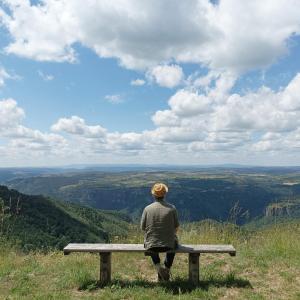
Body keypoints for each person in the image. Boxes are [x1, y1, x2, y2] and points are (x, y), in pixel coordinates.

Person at [140, 182, 180, 281]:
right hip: (169, 245)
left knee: (151, 241)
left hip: (152, 246)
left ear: (153, 194)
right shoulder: (172, 208)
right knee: (174, 241)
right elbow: (176, 226)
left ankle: (158, 268)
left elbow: (143, 227)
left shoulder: (147, 209)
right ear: (165, 194)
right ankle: (166, 269)